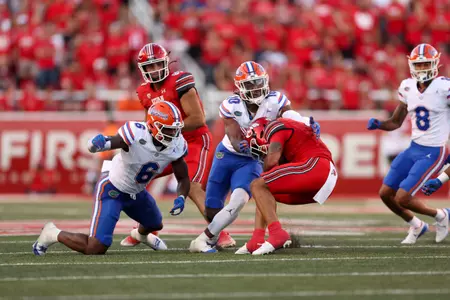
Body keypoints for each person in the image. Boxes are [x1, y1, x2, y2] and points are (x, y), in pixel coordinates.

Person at [189, 61, 320, 253]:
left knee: (239, 200)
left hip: (251, 160)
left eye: (259, 83)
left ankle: (204, 240)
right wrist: (244, 144)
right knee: (211, 209)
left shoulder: (275, 100)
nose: (256, 88)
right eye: (250, 84)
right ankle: (214, 235)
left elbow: (289, 115)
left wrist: (305, 122)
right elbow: (234, 138)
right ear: (240, 87)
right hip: (226, 155)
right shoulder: (231, 105)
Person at [32, 101, 190, 255]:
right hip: (112, 189)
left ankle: (139, 235)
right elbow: (114, 141)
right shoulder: (135, 132)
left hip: (136, 192)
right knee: (95, 247)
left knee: (155, 223)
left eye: (175, 130)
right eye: (168, 130)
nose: (173, 134)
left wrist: (182, 196)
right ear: (152, 126)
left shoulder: (177, 145)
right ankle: (52, 233)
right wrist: (97, 144)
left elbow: (182, 177)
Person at [120, 43, 235, 248]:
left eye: (157, 65)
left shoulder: (180, 80)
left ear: (166, 63)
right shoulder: (144, 91)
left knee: (191, 185)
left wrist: (168, 128)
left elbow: (198, 119)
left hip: (193, 140)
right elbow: (150, 124)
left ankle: (221, 232)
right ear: (143, 70)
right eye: (150, 67)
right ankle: (145, 228)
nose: (155, 71)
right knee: (138, 178)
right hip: (166, 143)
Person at [367, 43, 450, 244]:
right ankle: (416, 224)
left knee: (403, 197)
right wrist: (380, 124)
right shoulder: (407, 87)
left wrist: (442, 177)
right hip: (413, 148)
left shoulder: (444, 88)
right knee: (386, 193)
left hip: (433, 150)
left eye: (425, 65)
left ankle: (441, 215)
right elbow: (395, 122)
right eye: (418, 65)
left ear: (435, 64)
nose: (422, 69)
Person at [235, 117, 337, 255]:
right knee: (263, 192)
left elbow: (271, 161)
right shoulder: (288, 131)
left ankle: (277, 233)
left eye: (260, 150)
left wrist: (266, 161)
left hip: (317, 166)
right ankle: (257, 239)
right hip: (324, 176)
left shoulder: (274, 126)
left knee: (257, 185)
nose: (262, 155)